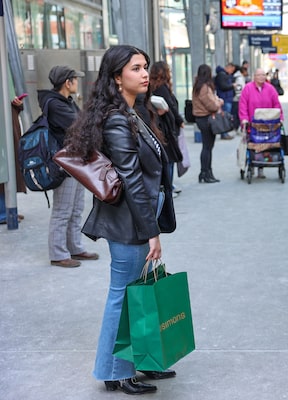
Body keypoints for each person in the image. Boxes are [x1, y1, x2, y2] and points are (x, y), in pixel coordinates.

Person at [65, 44, 177, 394]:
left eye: (145, 67)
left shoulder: (133, 112)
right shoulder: (117, 119)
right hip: (128, 222)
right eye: (135, 68)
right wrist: (151, 231)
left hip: (136, 218)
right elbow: (131, 180)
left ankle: (139, 361)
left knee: (135, 293)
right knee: (124, 296)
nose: (144, 74)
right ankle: (116, 371)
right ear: (116, 77)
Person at [38, 65, 98, 268]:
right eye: (75, 79)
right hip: (65, 164)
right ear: (67, 82)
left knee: (76, 208)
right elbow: (80, 126)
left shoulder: (67, 101)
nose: (77, 83)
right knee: (63, 210)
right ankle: (58, 254)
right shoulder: (55, 104)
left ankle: (75, 247)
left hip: (76, 161)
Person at [238, 68, 284, 178]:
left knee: (266, 146)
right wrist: (244, 119)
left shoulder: (271, 89)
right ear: (254, 76)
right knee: (253, 146)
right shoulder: (247, 89)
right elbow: (243, 105)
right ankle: (252, 166)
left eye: (263, 75)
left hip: (269, 126)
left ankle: (261, 168)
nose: (261, 77)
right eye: (259, 75)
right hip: (252, 125)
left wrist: (280, 118)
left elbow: (277, 105)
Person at [149, 61, 184, 196]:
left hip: (160, 127)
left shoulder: (152, 87)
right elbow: (172, 107)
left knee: (166, 159)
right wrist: (180, 121)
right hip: (166, 128)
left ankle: (169, 186)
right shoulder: (162, 88)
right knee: (169, 159)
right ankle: (168, 188)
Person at [193, 64, 224, 183]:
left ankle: (206, 172)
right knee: (207, 147)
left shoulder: (198, 86)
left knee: (207, 147)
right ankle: (206, 173)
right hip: (205, 119)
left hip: (201, 118)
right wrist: (219, 103)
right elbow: (211, 105)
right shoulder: (204, 87)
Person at [0, 96, 27, 225]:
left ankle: (8, 209)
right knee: (3, 174)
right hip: (4, 137)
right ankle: (3, 213)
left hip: (9, 134)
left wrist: (17, 104)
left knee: (10, 174)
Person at [214, 63, 236, 140]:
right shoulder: (222, 75)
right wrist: (232, 86)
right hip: (225, 99)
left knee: (226, 116)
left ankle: (225, 133)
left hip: (227, 98)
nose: (232, 72)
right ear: (228, 68)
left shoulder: (225, 75)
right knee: (224, 117)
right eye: (231, 70)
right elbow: (223, 86)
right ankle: (224, 133)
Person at [232, 65, 248, 132]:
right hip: (238, 99)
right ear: (243, 71)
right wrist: (241, 97)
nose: (247, 73)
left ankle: (237, 128)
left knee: (236, 114)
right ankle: (236, 128)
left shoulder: (238, 77)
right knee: (237, 114)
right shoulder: (240, 79)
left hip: (237, 98)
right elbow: (239, 88)